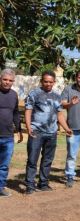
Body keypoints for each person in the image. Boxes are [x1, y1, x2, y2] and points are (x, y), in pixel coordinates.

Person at [24, 71, 72, 194]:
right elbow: (28, 111)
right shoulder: (34, 94)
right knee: (32, 159)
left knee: (47, 160)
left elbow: (60, 114)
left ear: (54, 82)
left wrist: (66, 128)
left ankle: (43, 183)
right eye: (46, 81)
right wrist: (29, 127)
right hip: (36, 132)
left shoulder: (57, 96)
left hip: (52, 133)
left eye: (51, 82)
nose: (48, 84)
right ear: (42, 81)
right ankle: (30, 185)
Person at [0, 69, 23, 197]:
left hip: (8, 136)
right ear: (0, 79)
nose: (7, 82)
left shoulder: (14, 95)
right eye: (5, 79)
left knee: (4, 165)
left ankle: (1, 187)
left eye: (10, 80)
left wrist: (19, 130)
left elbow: (15, 113)